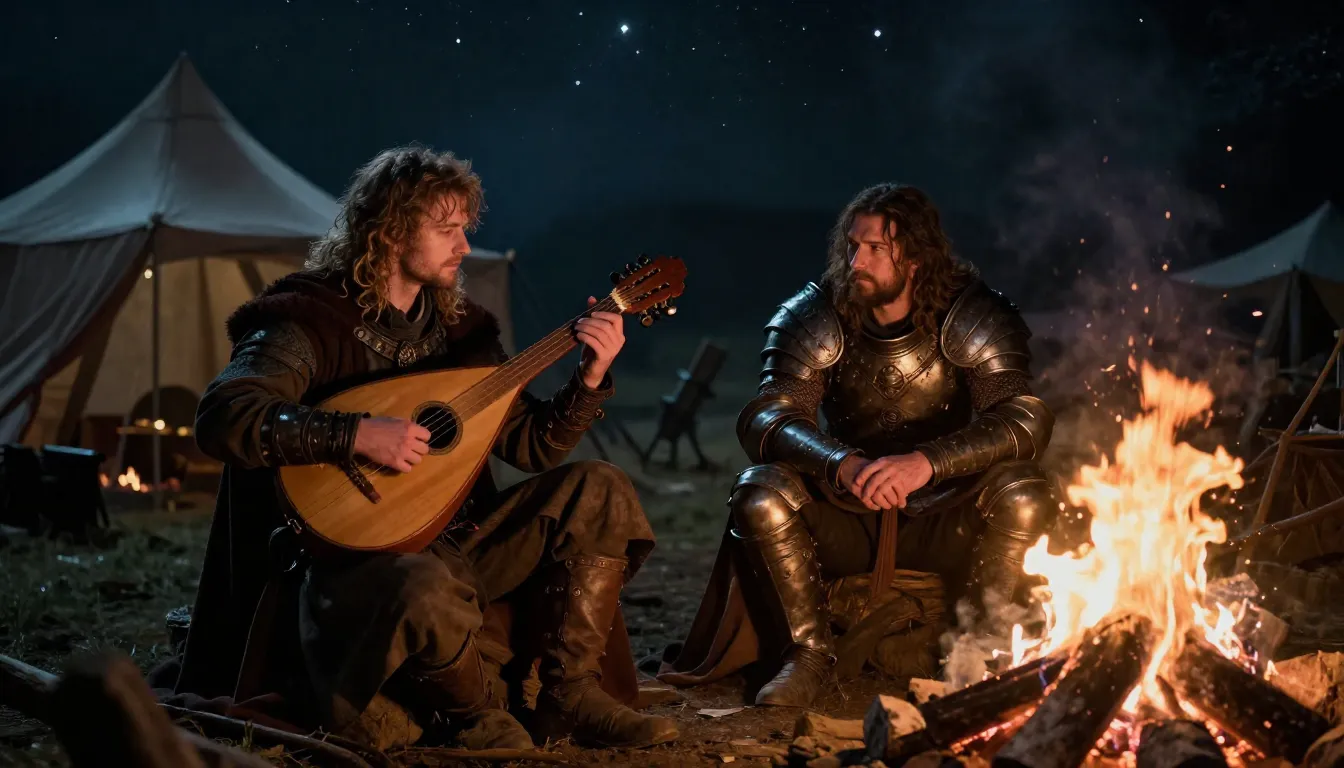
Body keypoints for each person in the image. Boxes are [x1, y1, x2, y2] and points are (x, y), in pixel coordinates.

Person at [173, 145, 679, 751]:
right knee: (421, 582)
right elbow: (224, 415)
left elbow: (531, 446)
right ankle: (475, 715)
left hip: (459, 541)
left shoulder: (462, 334)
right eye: (446, 230)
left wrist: (589, 378)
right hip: (352, 564)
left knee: (600, 488)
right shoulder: (308, 320)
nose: (463, 246)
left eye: (465, 228)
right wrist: (354, 434)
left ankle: (569, 695)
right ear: (389, 231)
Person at [659, 183, 1058, 708]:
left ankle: (980, 653)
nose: (856, 262)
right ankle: (808, 656)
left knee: (1024, 492)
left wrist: (927, 463)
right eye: (852, 246)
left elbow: (1023, 419)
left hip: (943, 514)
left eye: (875, 248)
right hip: (850, 511)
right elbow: (767, 416)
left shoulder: (972, 314)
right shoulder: (816, 314)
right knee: (760, 493)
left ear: (915, 257)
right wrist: (840, 464)